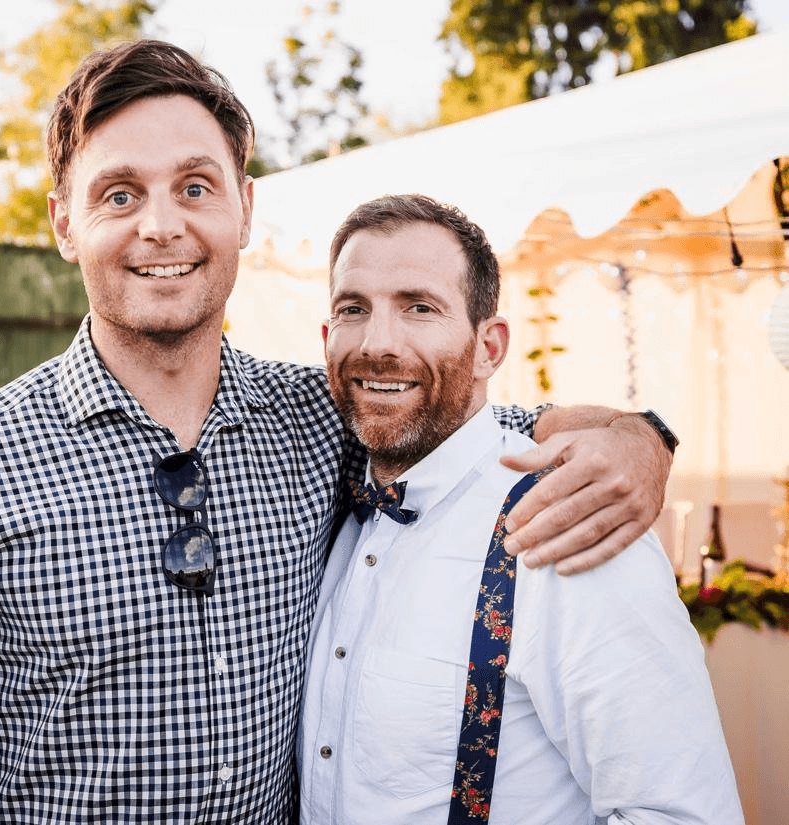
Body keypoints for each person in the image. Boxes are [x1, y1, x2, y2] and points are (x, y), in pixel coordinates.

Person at [0, 41, 674, 824]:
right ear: (64, 222)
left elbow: (477, 421)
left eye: (195, 187)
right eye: (120, 193)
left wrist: (639, 437)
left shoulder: (320, 420)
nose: (162, 224)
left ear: (243, 210)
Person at [298, 194, 742, 824]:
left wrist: (642, 434)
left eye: (419, 308)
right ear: (326, 338)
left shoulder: (569, 521)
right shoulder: (335, 503)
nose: (378, 342)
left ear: (490, 347)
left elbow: (679, 814)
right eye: (353, 309)